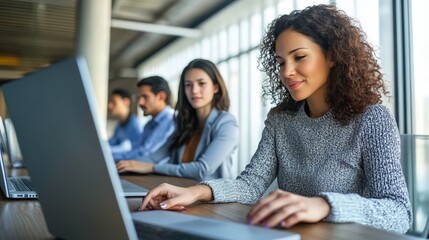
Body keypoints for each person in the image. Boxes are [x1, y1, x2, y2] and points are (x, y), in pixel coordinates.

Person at [139, 4, 412, 234]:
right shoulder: (281, 119)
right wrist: (195, 192)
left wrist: (324, 204)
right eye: (281, 62)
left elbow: (399, 212)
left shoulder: (371, 119)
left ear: (332, 56)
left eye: (299, 58)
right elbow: (251, 184)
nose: (287, 72)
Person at [116, 59, 239, 181]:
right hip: (178, 192)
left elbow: (201, 170)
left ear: (216, 87)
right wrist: (121, 166)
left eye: (201, 83)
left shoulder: (226, 123)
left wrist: (153, 168)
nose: (194, 90)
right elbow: (154, 157)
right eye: (188, 85)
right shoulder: (185, 123)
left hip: (212, 199)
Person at [112, 76, 175, 162]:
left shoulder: (170, 120)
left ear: (161, 97)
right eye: (139, 98)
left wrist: (109, 157)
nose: (140, 102)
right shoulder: (149, 125)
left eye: (145, 97)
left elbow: (145, 154)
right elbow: (137, 150)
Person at [108, 88, 142, 153]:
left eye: (114, 102)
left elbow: (136, 150)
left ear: (126, 102)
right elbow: (113, 142)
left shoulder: (135, 124)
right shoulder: (119, 124)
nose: (110, 106)